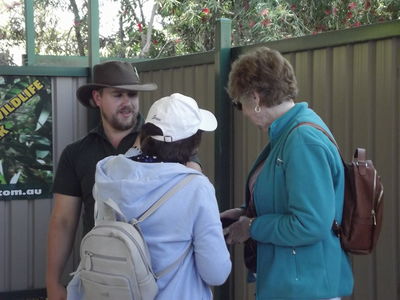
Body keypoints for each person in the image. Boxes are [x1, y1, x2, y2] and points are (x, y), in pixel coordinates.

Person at [46, 61, 200, 300]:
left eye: (132, 94)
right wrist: (53, 282)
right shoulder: (76, 153)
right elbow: (63, 221)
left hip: (163, 281)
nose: (127, 102)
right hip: (102, 280)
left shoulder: (165, 142)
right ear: (97, 97)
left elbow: (195, 182)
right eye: (118, 95)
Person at [67, 93, 232, 299]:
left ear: (146, 134)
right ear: (193, 143)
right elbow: (216, 273)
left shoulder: (109, 172)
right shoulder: (195, 188)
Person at [221, 47, 354, 299]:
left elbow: (310, 223)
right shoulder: (288, 133)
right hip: (294, 284)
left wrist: (252, 227)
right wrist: (244, 212)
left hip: (306, 288)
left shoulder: (302, 139)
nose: (245, 114)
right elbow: (285, 199)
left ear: (255, 99)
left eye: (241, 105)